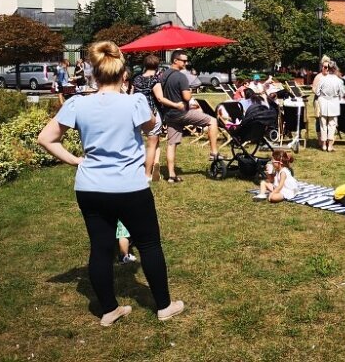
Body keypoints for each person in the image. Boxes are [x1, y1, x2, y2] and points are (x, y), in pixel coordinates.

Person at [37, 41, 184, 326]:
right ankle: (164, 306)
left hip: (90, 187)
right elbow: (152, 127)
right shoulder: (135, 102)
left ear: (93, 72)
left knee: (100, 248)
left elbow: (46, 138)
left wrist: (76, 160)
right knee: (150, 245)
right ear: (123, 73)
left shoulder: (77, 102)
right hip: (130, 187)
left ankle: (108, 310)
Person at [160, 49, 222, 183]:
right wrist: (190, 90)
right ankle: (214, 152)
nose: (186, 63)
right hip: (182, 112)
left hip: (169, 114)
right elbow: (187, 97)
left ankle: (171, 175)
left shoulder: (163, 75)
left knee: (171, 144)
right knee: (212, 121)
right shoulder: (181, 76)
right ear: (175, 60)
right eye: (183, 60)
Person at [132, 54, 183, 182]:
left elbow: (132, 95)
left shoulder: (137, 79)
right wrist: (175, 104)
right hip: (152, 114)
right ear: (157, 66)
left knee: (144, 143)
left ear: (145, 65)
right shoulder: (155, 80)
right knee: (151, 144)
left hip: (137, 114)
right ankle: (147, 174)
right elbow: (160, 98)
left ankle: (155, 163)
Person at [317, 61, 343, 152]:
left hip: (323, 102)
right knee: (332, 124)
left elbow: (317, 92)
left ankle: (324, 145)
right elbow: (341, 94)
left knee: (323, 124)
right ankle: (330, 145)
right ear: (335, 69)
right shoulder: (339, 81)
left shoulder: (322, 79)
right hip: (334, 103)